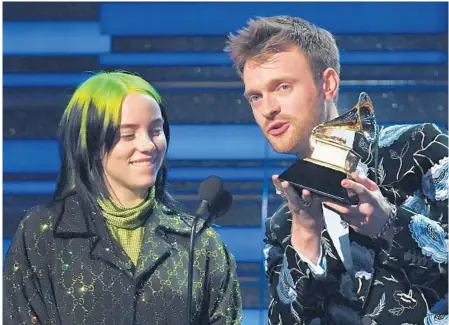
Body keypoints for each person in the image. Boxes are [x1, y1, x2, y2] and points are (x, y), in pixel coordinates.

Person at [225, 16, 448, 325]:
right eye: (255, 96)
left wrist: (390, 225)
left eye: (283, 86)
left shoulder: (419, 147)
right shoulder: (282, 225)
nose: (268, 108)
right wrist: (305, 236)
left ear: (327, 84)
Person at [3, 71, 243, 325]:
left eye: (156, 131)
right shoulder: (43, 235)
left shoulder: (199, 243)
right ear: (91, 143)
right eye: (128, 134)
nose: (148, 145)